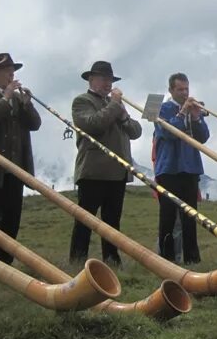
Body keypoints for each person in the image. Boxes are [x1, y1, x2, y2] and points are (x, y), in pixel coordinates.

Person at [70, 61, 142, 266]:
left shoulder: (115, 106)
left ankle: (111, 258)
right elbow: (94, 124)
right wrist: (114, 106)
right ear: (91, 80)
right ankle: (77, 259)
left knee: (112, 221)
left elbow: (136, 132)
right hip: (93, 170)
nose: (108, 84)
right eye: (103, 79)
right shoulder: (81, 101)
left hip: (117, 171)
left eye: (110, 80)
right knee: (85, 219)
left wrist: (124, 115)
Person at [0, 53, 41, 264]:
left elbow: (35, 124)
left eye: (12, 69)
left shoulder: (19, 98)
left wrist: (27, 104)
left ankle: (6, 261)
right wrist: (6, 98)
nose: (11, 74)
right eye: (5, 70)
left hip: (15, 169)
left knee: (12, 217)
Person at [153, 73, 209, 264]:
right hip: (169, 168)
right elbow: (167, 133)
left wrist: (196, 117)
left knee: (190, 217)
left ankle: (192, 259)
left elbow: (203, 137)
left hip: (190, 168)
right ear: (171, 90)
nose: (185, 93)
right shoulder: (162, 109)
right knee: (168, 216)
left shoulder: (194, 109)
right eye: (180, 89)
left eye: (186, 89)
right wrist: (183, 112)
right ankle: (167, 260)